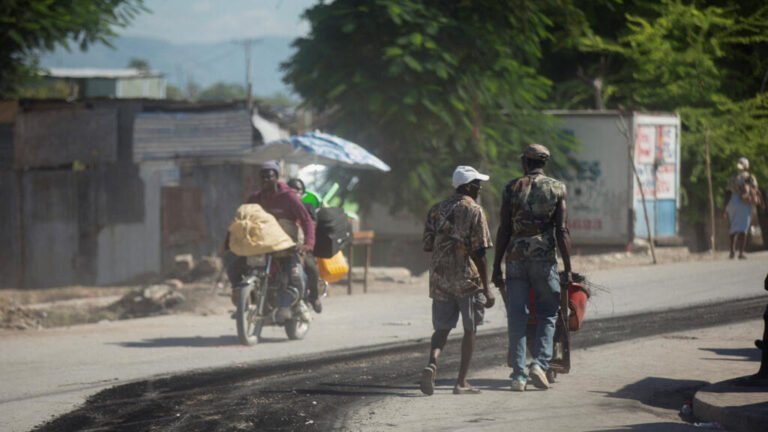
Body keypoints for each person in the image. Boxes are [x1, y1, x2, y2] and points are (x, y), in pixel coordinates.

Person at [492, 143, 573, 392]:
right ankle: (539, 364)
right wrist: (568, 266)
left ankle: (518, 376)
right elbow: (561, 230)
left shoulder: (511, 188)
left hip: (515, 259)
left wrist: (496, 266)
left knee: (517, 316)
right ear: (544, 163)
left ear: (525, 162)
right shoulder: (557, 188)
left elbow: (504, 229)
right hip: (544, 260)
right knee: (548, 313)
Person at [420, 165, 495, 396]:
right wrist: (487, 288)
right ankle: (461, 382)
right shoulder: (475, 210)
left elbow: (427, 245)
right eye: (478, 184)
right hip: (467, 279)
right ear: (468, 186)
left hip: (440, 278)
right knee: (470, 329)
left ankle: (432, 363)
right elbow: (480, 253)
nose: (480, 188)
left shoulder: (436, 209)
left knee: (442, 329)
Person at [226, 161, 316, 314]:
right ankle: (245, 300)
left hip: (285, 245)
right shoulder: (255, 198)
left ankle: (305, 299)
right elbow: (240, 221)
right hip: (261, 245)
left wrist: (308, 244)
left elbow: (306, 219)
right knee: (233, 269)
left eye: (269, 176)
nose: (265, 180)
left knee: (297, 273)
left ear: (277, 177)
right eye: (263, 177)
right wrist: (228, 242)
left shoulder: (289, 197)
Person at [287, 177, 323, 313]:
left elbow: (311, 226)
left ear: (303, 193)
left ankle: (314, 297)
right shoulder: (283, 208)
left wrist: (306, 245)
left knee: (311, 268)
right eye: (292, 189)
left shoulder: (307, 207)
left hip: (302, 246)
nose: (296, 192)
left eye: (299, 190)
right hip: (281, 245)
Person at [725, 157, 761, 259]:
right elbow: (755, 189)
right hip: (744, 202)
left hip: (733, 201)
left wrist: (725, 207)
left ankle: (732, 251)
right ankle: (740, 253)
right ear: (747, 166)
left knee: (733, 228)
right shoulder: (750, 177)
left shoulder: (733, 177)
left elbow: (728, 192)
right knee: (743, 228)